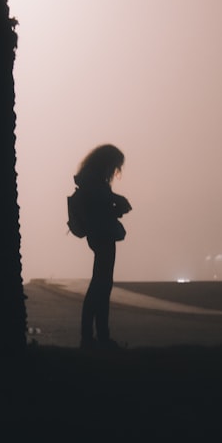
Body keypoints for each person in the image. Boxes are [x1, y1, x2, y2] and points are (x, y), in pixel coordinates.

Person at [73, 144, 132, 349]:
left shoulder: (90, 178)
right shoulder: (93, 180)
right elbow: (99, 204)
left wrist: (114, 207)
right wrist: (118, 201)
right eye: (115, 166)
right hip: (102, 235)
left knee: (101, 284)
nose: (116, 170)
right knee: (101, 285)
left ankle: (94, 336)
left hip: (98, 234)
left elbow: (97, 207)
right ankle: (94, 336)